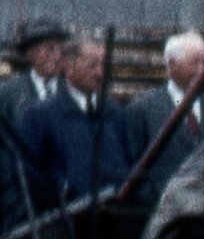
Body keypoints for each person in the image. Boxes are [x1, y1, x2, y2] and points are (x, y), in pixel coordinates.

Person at [19, 36, 132, 198]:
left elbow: (130, 162)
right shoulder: (40, 115)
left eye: (104, 65)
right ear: (69, 65)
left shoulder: (115, 113)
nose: (100, 73)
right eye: (92, 65)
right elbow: (28, 173)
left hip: (112, 215)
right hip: (66, 217)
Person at [124, 30, 204, 206]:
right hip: (162, 212)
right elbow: (131, 165)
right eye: (195, 63)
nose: (202, 70)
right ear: (172, 65)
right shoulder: (143, 109)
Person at [0, 19, 68, 127]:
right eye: (50, 49)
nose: (57, 56)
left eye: (62, 50)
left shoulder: (75, 91)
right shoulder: (8, 94)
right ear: (30, 53)